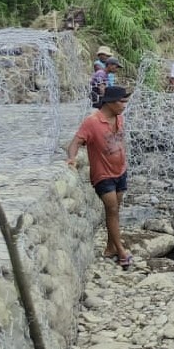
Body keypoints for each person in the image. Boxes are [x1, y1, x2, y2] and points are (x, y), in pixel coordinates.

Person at [66, 86, 134, 269]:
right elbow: (75, 142)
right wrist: (71, 158)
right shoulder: (92, 122)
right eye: (122, 101)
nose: (124, 105)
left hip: (120, 171)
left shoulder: (119, 118)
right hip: (102, 174)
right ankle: (121, 251)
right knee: (112, 209)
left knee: (115, 210)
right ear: (110, 102)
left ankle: (110, 247)